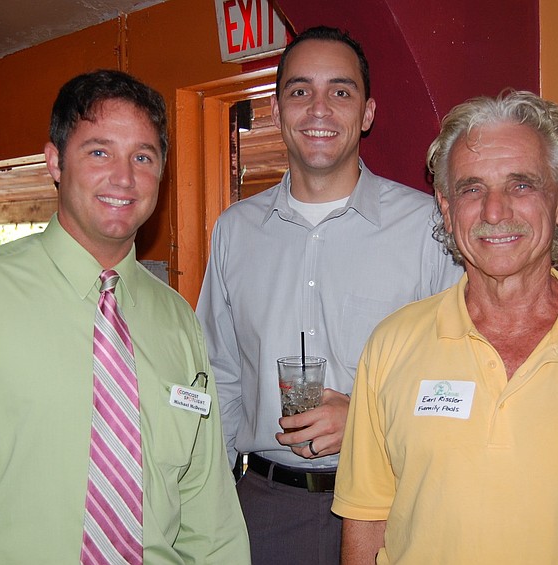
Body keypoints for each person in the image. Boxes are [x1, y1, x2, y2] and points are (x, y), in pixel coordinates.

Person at [0, 69, 250, 564]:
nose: (124, 177)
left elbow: (208, 505)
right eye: (99, 152)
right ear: (54, 161)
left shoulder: (178, 320)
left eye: (143, 157)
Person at [333, 90, 558, 564]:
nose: (494, 211)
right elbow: (365, 519)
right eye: (471, 189)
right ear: (446, 210)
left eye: (521, 185)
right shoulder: (391, 346)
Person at [196, 26, 462, 565]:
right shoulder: (234, 231)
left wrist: (365, 417)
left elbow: (460, 374)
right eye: (300, 91)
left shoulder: (429, 227)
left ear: (366, 113)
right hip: (265, 508)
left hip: (395, 502)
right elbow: (220, 376)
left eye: (340, 91)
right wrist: (206, 502)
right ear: (277, 110)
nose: (319, 108)